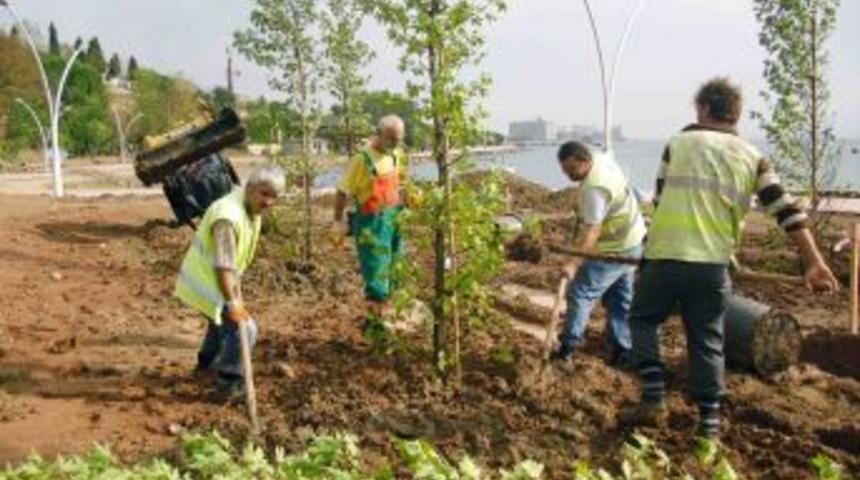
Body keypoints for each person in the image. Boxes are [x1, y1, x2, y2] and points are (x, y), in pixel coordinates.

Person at [626, 78, 839, 439]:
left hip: (665, 257)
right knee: (707, 338)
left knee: (643, 319)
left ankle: (653, 397)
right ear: (735, 114)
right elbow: (786, 210)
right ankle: (708, 431)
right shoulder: (752, 156)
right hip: (713, 266)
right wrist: (814, 261)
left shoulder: (679, 143)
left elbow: (660, 201)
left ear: (704, 108)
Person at [174, 165, 285, 400]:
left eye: (274, 196)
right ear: (251, 188)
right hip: (206, 281)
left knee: (218, 322)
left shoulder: (250, 207)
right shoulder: (227, 217)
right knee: (244, 328)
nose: (268, 202)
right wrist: (233, 303)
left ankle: (206, 364)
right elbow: (223, 266)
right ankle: (228, 383)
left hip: (215, 278)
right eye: (264, 193)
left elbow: (231, 262)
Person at [551, 141, 647, 366]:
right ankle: (623, 350)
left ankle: (567, 348)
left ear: (584, 161)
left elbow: (593, 231)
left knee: (581, 293)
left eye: (572, 169)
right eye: (564, 170)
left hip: (613, 249)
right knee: (619, 297)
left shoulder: (594, 189)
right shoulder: (602, 159)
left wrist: (573, 264)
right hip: (634, 239)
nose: (568, 176)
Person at [332, 115, 412, 328]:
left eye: (399, 140)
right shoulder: (362, 160)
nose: (395, 144)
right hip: (371, 225)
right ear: (378, 134)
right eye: (391, 139)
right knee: (376, 274)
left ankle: (392, 317)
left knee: (396, 267)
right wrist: (337, 221)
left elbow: (401, 182)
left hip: (394, 220)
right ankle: (376, 324)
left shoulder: (396, 154)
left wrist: (409, 200)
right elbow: (342, 192)